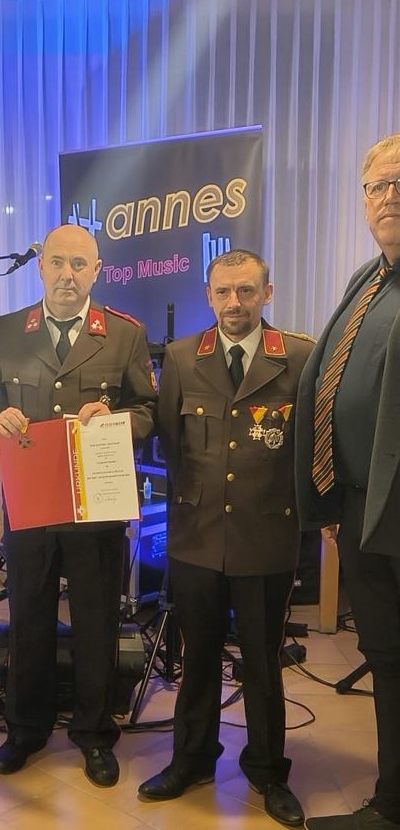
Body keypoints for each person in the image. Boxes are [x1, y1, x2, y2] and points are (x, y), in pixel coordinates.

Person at [0, 223, 156, 787]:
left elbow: (147, 411)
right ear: (41, 267)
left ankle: (94, 733)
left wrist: (119, 422)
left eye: (80, 264)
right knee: (27, 616)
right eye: (57, 262)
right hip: (30, 506)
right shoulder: (7, 330)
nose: (67, 274)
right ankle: (24, 730)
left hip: (94, 509)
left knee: (97, 622)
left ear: (97, 271)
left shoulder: (124, 334)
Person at [139, 249, 311, 827]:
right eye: (222, 292)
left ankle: (267, 771)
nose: (233, 303)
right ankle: (192, 759)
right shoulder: (185, 357)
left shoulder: (300, 357)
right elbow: (165, 440)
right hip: (197, 535)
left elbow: (313, 446)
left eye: (245, 291)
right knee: (198, 657)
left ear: (267, 293)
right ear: (208, 296)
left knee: (263, 662)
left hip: (267, 536)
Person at [296, 134, 400, 830]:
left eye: (399, 183)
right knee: (388, 657)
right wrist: (331, 496)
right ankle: (392, 802)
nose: (387, 197)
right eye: (376, 187)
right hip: (367, 512)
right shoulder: (367, 279)